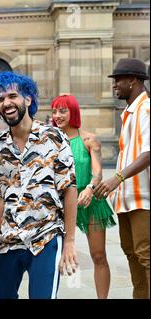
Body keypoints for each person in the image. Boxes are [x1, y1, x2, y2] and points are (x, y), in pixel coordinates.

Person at [0, 71, 79, 299]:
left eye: (12, 96)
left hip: (45, 237)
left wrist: (70, 241)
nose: (6, 103)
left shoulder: (54, 138)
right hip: (9, 240)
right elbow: (1, 197)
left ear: (28, 99)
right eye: (0, 99)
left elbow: (69, 189)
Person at [51, 94, 116, 299]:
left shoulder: (89, 139)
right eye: (54, 111)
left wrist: (89, 188)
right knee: (54, 259)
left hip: (91, 202)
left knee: (98, 256)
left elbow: (97, 172)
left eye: (63, 110)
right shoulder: (50, 141)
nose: (57, 115)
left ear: (73, 112)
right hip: (60, 204)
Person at [95, 58, 150, 299]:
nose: (115, 85)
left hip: (144, 199)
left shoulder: (147, 109)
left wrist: (116, 177)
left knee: (146, 256)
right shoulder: (129, 112)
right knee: (132, 253)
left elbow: (148, 153)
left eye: (118, 80)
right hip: (127, 200)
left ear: (133, 80)